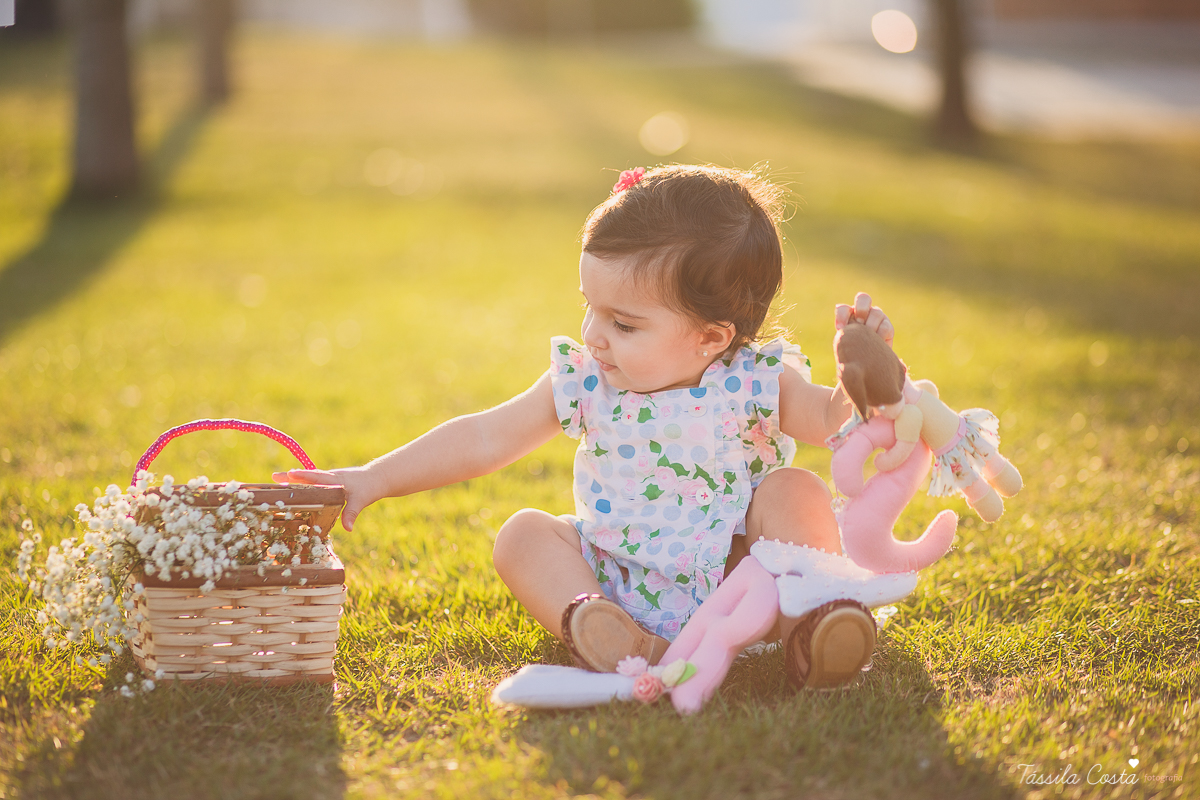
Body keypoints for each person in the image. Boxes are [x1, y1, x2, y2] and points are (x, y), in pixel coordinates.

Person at [275, 164, 896, 687]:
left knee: (796, 491)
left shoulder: (755, 381)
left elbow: (831, 420)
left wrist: (864, 373)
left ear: (712, 337)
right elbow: (486, 436)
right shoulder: (587, 380)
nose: (594, 335)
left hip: (738, 579)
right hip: (615, 573)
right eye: (588, 308)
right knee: (521, 535)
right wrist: (371, 478)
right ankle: (603, 628)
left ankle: (812, 624)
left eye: (624, 324)